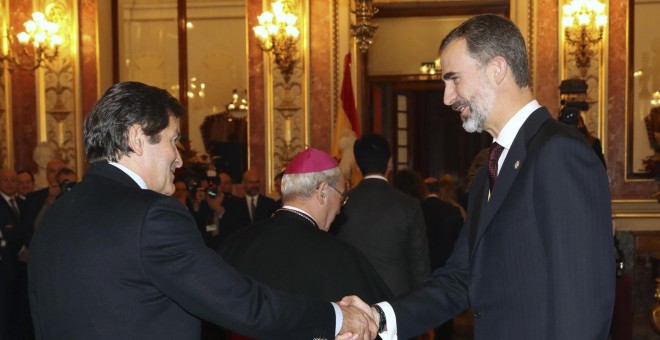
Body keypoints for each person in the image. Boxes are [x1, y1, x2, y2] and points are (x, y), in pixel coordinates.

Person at [28, 81, 375, 340]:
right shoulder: (152, 217)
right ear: (136, 138)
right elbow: (243, 304)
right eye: (173, 139)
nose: (179, 158)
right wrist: (338, 318)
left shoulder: (57, 213)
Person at [341, 14, 614, 339]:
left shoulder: (558, 154)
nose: (447, 97)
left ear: (497, 69)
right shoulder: (489, 172)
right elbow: (460, 278)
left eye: (454, 79)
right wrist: (378, 318)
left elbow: (582, 303)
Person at [220, 148, 393, 338]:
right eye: (341, 197)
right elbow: (378, 324)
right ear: (323, 192)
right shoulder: (339, 257)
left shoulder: (233, 244)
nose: (339, 209)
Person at [332, 133, 430, 298]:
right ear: (390, 163)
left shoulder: (341, 203)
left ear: (357, 165)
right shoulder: (409, 205)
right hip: (397, 302)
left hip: (352, 301)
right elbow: (420, 266)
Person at [218, 169, 279, 243]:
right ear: (243, 183)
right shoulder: (235, 205)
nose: (254, 185)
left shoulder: (270, 203)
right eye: (250, 182)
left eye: (256, 182)